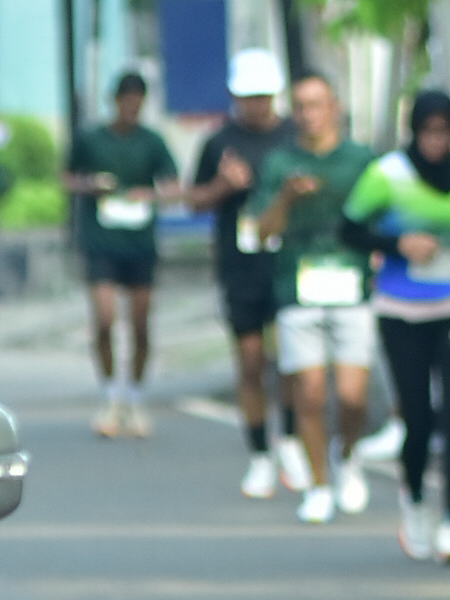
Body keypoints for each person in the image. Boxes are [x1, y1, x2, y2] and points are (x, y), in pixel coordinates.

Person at [343, 89, 450, 563]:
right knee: (418, 418)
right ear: (414, 132)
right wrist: (398, 245)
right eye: (428, 131)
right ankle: (413, 501)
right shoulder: (387, 175)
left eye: (444, 132)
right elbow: (348, 229)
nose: (436, 141)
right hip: (402, 311)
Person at [182, 50, 311, 499]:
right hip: (239, 263)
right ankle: (259, 453)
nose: (254, 105)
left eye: (262, 96)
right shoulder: (219, 142)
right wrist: (223, 185)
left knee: (292, 358)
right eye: (246, 97)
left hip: (287, 259)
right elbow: (193, 201)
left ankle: (291, 439)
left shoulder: (295, 137)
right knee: (251, 359)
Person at [252, 74, 379, 527]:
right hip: (297, 287)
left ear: (335, 107)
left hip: (352, 286)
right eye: (301, 106)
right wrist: (286, 196)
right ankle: (318, 485)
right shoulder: (279, 162)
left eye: (317, 104)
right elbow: (260, 231)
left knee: (352, 396)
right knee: (308, 393)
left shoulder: (361, 160)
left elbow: (383, 215)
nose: (309, 114)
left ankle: (347, 456)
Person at [63, 69, 181, 437]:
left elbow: (174, 185)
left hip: (140, 241)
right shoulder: (91, 139)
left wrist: (151, 195)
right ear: (114, 101)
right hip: (101, 241)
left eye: (137, 103)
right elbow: (66, 176)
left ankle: (135, 396)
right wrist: (90, 186)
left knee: (141, 323)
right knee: (104, 319)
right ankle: (111, 395)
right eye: (126, 101)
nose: (131, 108)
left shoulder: (152, 141)